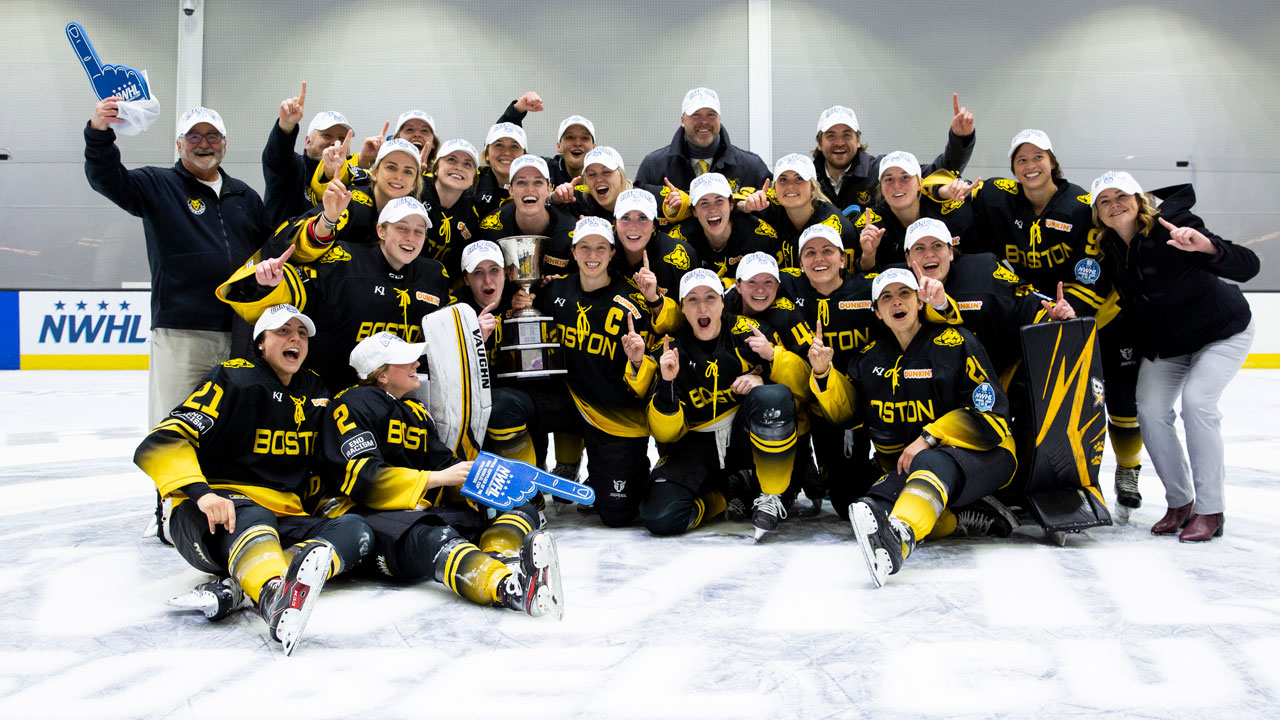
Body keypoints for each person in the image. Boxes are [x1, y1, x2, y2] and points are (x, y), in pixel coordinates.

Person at [134, 304, 372, 654]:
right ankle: (275, 598)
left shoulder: (314, 389)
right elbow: (165, 439)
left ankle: (247, 586)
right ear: (260, 342)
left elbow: (324, 462)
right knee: (252, 516)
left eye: (302, 333)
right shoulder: (233, 377)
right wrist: (202, 494)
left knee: (357, 530)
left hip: (282, 517)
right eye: (283, 331)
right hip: (212, 515)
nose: (295, 339)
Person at [952, 129, 1145, 519]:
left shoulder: (1080, 205)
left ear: (1052, 161)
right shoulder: (999, 195)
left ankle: (1127, 470)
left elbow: (1096, 272)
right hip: (1038, 319)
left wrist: (1072, 311)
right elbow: (942, 183)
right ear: (1013, 168)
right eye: (1021, 160)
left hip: (1099, 318)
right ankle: (1035, 477)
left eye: (1037, 157)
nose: (1030, 166)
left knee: (1118, 400)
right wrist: (949, 192)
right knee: (1039, 399)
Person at [316, 332, 563, 618]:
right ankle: (505, 586)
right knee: (432, 535)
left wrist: (483, 482)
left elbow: (445, 463)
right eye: (404, 360)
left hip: (422, 511)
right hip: (366, 517)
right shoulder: (351, 403)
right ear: (380, 374)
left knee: (515, 505)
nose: (416, 364)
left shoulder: (414, 412)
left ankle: (500, 555)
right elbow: (363, 477)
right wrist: (437, 479)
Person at [809, 269, 1016, 587]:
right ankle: (959, 516)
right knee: (869, 504)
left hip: (987, 454)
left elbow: (991, 414)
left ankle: (899, 538)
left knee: (929, 463)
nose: (896, 302)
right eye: (886, 297)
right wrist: (824, 374)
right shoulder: (870, 357)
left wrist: (929, 437)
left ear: (919, 302)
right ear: (877, 312)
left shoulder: (956, 342)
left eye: (904, 293)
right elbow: (848, 412)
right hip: (911, 469)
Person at [1090, 171, 1259, 542]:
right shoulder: (1110, 249)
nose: (1114, 204)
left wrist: (1208, 248)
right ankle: (1180, 502)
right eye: (1104, 201)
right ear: (1098, 214)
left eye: (1122, 196)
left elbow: (1249, 266)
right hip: (1168, 347)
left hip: (1220, 333)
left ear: (1139, 199)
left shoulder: (1176, 227)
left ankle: (1210, 511)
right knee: (1149, 411)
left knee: (1197, 405)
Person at [85, 103, 270, 428]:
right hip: (182, 333)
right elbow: (106, 179)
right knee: (175, 426)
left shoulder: (245, 196)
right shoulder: (158, 185)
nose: (204, 143)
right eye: (194, 136)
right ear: (179, 144)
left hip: (240, 333)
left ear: (224, 144)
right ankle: (171, 482)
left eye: (212, 136)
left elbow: (267, 252)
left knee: (233, 426)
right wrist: (99, 132)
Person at [501, 216, 656, 526]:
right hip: (567, 403)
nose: (592, 255)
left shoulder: (631, 301)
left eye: (600, 248)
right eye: (584, 247)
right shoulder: (554, 290)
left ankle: (625, 474)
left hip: (613, 414)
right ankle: (527, 488)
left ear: (613, 252)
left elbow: (650, 367)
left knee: (617, 514)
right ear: (573, 252)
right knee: (505, 406)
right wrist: (520, 305)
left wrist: (638, 359)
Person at [630, 268, 800, 540]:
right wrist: (668, 385)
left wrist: (765, 377)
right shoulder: (669, 349)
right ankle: (722, 494)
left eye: (710, 297)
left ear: (723, 302)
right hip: (695, 444)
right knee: (660, 516)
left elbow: (797, 393)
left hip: (744, 439)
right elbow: (664, 433)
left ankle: (770, 493)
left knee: (772, 397)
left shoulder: (752, 333)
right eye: (692, 300)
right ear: (682, 308)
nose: (702, 306)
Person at [217, 196, 450, 392]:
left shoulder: (434, 275)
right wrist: (268, 284)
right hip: (331, 391)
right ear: (381, 230)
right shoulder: (345, 260)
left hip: (399, 397)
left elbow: (444, 334)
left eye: (418, 232)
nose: (410, 237)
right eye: (401, 228)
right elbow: (293, 292)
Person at [811, 95, 976, 215]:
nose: (839, 142)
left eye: (847, 135)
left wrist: (960, 138)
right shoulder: (805, 179)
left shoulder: (882, 171)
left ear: (858, 140)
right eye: (831, 135)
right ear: (819, 142)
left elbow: (940, 173)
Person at [736, 153, 860, 271]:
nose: (790, 186)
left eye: (799, 179)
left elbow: (845, 278)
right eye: (783, 179)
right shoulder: (768, 201)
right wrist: (746, 206)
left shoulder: (835, 226)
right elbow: (727, 204)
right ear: (774, 188)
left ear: (813, 187)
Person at [635, 87, 770, 194]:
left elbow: (777, 214)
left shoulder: (752, 166)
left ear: (719, 118)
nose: (704, 121)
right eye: (696, 115)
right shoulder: (653, 166)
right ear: (683, 120)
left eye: (711, 114)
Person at [855, 151, 974, 272]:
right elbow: (864, 278)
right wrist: (868, 254)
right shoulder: (871, 225)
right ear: (881, 187)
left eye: (905, 177)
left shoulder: (946, 211)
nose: (897, 186)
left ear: (919, 183)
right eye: (889, 179)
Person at [261, 81, 352, 224]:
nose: (335, 143)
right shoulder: (291, 168)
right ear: (307, 141)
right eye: (326, 135)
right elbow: (277, 156)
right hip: (284, 245)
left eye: (342, 138)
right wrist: (286, 125)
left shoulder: (351, 177)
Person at [476, 154, 579, 277]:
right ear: (510, 190)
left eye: (538, 182)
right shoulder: (490, 227)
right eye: (521, 182)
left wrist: (562, 285)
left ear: (549, 189)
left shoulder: (572, 231)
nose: (530, 189)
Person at [668, 172, 778, 280]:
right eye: (704, 203)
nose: (713, 209)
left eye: (719, 201)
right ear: (694, 211)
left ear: (731, 204)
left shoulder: (760, 236)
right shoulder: (679, 241)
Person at [419, 139, 483, 278]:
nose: (459, 167)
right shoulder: (417, 191)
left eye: (467, 164)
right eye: (452, 160)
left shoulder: (471, 215)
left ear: (473, 178)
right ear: (436, 168)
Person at [475, 122, 528, 217]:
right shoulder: (471, 182)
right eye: (499, 145)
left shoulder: (536, 185)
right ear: (487, 154)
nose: (507, 152)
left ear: (524, 155)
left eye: (514, 146)